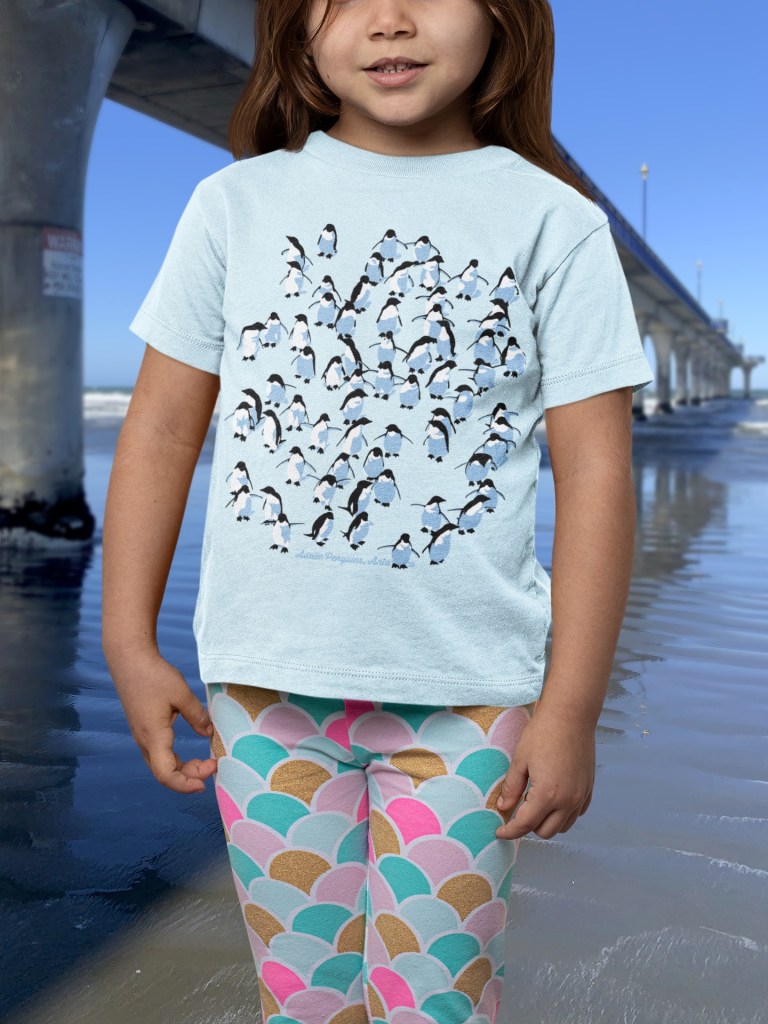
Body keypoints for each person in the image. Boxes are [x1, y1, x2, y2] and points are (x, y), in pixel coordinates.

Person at [102, 0, 654, 1020]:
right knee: (301, 999)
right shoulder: (234, 205)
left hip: (470, 699)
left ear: (504, 19)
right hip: (263, 691)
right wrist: (129, 639)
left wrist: (572, 707)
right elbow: (163, 431)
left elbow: (596, 475)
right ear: (293, 25)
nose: (389, 20)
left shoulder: (555, 221)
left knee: (436, 1002)